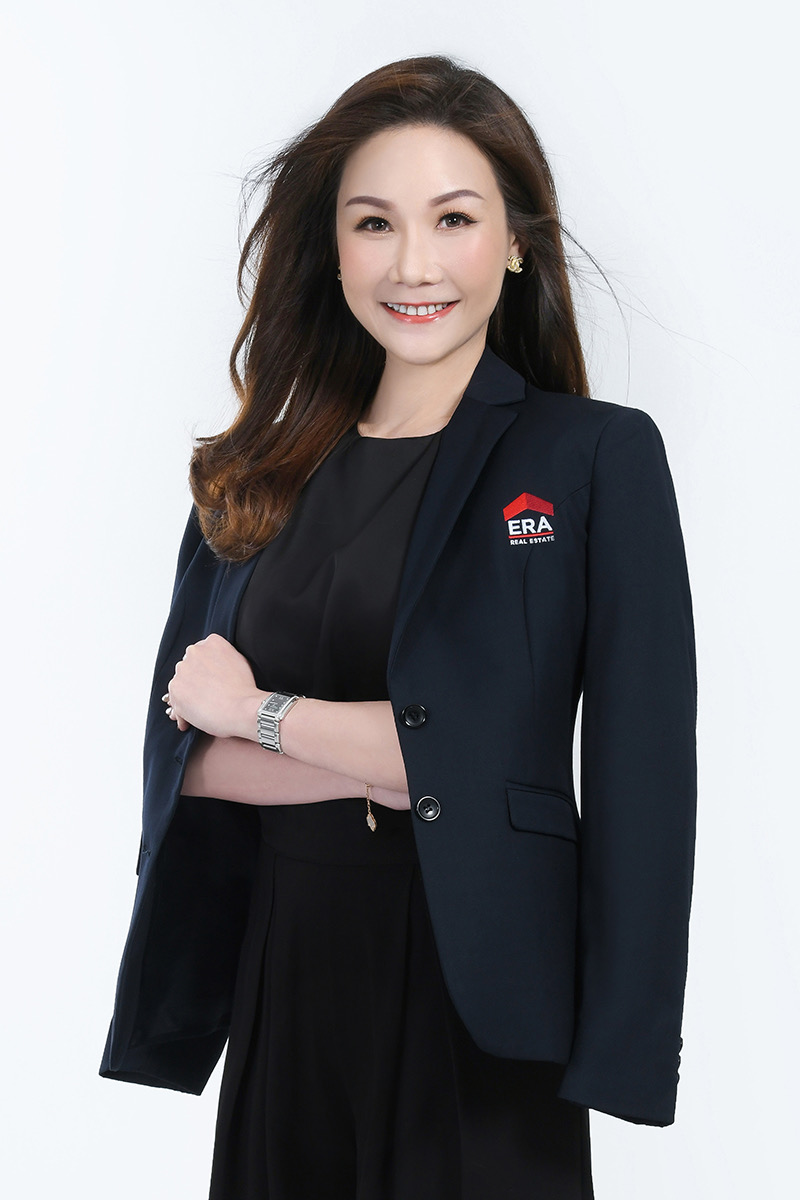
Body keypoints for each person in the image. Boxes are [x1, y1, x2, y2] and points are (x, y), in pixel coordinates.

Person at [100, 55, 697, 1200]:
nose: (412, 264)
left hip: (485, 996)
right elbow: (189, 762)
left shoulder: (590, 457)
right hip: (284, 975)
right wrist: (394, 755)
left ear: (514, 242)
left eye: (452, 219)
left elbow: (636, 773)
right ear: (332, 248)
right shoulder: (259, 473)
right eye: (373, 222)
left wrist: (258, 713)